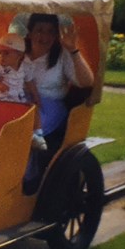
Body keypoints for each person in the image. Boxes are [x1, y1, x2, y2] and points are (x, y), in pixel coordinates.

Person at [25, 13, 95, 154]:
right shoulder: (18, 51)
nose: (45, 37)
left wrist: (73, 50)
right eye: (40, 30)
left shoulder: (62, 55)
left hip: (48, 106)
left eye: (50, 32)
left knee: (23, 133)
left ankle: (26, 174)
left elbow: (87, 82)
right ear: (30, 33)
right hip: (18, 102)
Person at [0, 33, 46, 150]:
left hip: (17, 99)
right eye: (0, 52)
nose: (1, 56)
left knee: (33, 109)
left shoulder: (25, 67)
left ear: (19, 55)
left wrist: (36, 96)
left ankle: (38, 134)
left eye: (6, 53)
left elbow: (29, 82)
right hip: (0, 99)